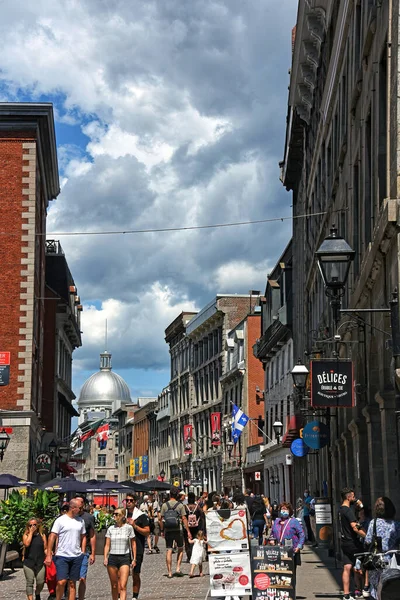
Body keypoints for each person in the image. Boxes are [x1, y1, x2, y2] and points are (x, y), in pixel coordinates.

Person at [44, 498, 86, 600]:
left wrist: (83, 551)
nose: (81, 510)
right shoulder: (60, 520)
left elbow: (83, 536)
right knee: (61, 581)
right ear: (72, 508)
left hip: (76, 555)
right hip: (62, 555)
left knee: (72, 583)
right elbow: (52, 536)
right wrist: (49, 555)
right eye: (79, 508)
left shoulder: (81, 521)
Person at [364, 496, 400, 600]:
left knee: (377, 588)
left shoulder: (373, 523)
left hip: (378, 560)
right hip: (394, 560)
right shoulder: (397, 524)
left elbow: (367, 541)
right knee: (393, 586)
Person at [338, 487, 366, 600]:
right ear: (349, 497)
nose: (354, 499)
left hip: (344, 541)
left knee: (347, 566)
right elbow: (354, 527)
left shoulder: (340, 510)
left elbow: (359, 508)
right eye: (353, 497)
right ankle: (365, 588)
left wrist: (358, 504)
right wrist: (366, 535)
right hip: (352, 542)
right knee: (365, 563)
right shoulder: (348, 511)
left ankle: (346, 594)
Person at [104, 507, 136, 600]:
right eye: (114, 514)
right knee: (114, 585)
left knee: (123, 585)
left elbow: (133, 543)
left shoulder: (128, 528)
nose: (114, 516)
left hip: (124, 557)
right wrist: (105, 557)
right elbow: (107, 545)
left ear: (122, 516)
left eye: (117, 514)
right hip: (113, 557)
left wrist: (134, 558)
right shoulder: (110, 528)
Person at [160, 486, 192, 578]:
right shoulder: (180, 505)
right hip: (178, 529)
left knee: (169, 550)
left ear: (170, 494)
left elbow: (160, 519)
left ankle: (169, 572)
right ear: (177, 495)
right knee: (180, 548)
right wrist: (188, 531)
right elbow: (184, 518)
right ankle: (178, 568)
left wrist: (162, 530)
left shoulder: (165, 505)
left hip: (168, 530)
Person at [125, 494, 150, 600]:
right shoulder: (122, 514)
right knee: (122, 574)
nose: (128, 502)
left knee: (135, 573)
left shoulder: (141, 516)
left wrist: (135, 526)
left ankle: (135, 596)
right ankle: (120, 595)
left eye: (131, 500)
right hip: (123, 548)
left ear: (135, 502)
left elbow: (147, 531)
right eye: (127, 500)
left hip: (138, 547)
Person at [74, 497, 96, 600]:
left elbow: (92, 535)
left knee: (82, 577)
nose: (79, 504)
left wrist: (93, 553)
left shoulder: (88, 518)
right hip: (71, 551)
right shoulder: (70, 517)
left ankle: (81, 598)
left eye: (81, 502)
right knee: (71, 579)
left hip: (84, 551)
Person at [270, 501, 305, 566]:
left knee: (290, 572)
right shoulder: (277, 521)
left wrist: (299, 546)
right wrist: (272, 539)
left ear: (289, 511)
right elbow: (272, 533)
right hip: (278, 550)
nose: (283, 511)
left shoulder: (294, 521)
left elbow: (301, 534)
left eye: (285, 509)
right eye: (282, 509)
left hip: (291, 550)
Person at [22, 517, 47, 600]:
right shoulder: (25, 535)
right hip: (29, 562)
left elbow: (45, 548)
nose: (33, 526)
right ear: (28, 526)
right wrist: (31, 533)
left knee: (41, 581)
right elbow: (27, 544)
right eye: (31, 525)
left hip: (40, 562)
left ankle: (37, 593)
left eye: (34, 525)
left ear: (38, 525)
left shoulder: (42, 535)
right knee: (30, 582)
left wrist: (49, 556)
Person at [184, 492, 204, 561]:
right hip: (196, 527)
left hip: (187, 527)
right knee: (196, 541)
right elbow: (202, 516)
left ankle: (189, 556)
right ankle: (196, 555)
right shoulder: (197, 507)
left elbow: (183, 517)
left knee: (187, 542)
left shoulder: (185, 507)